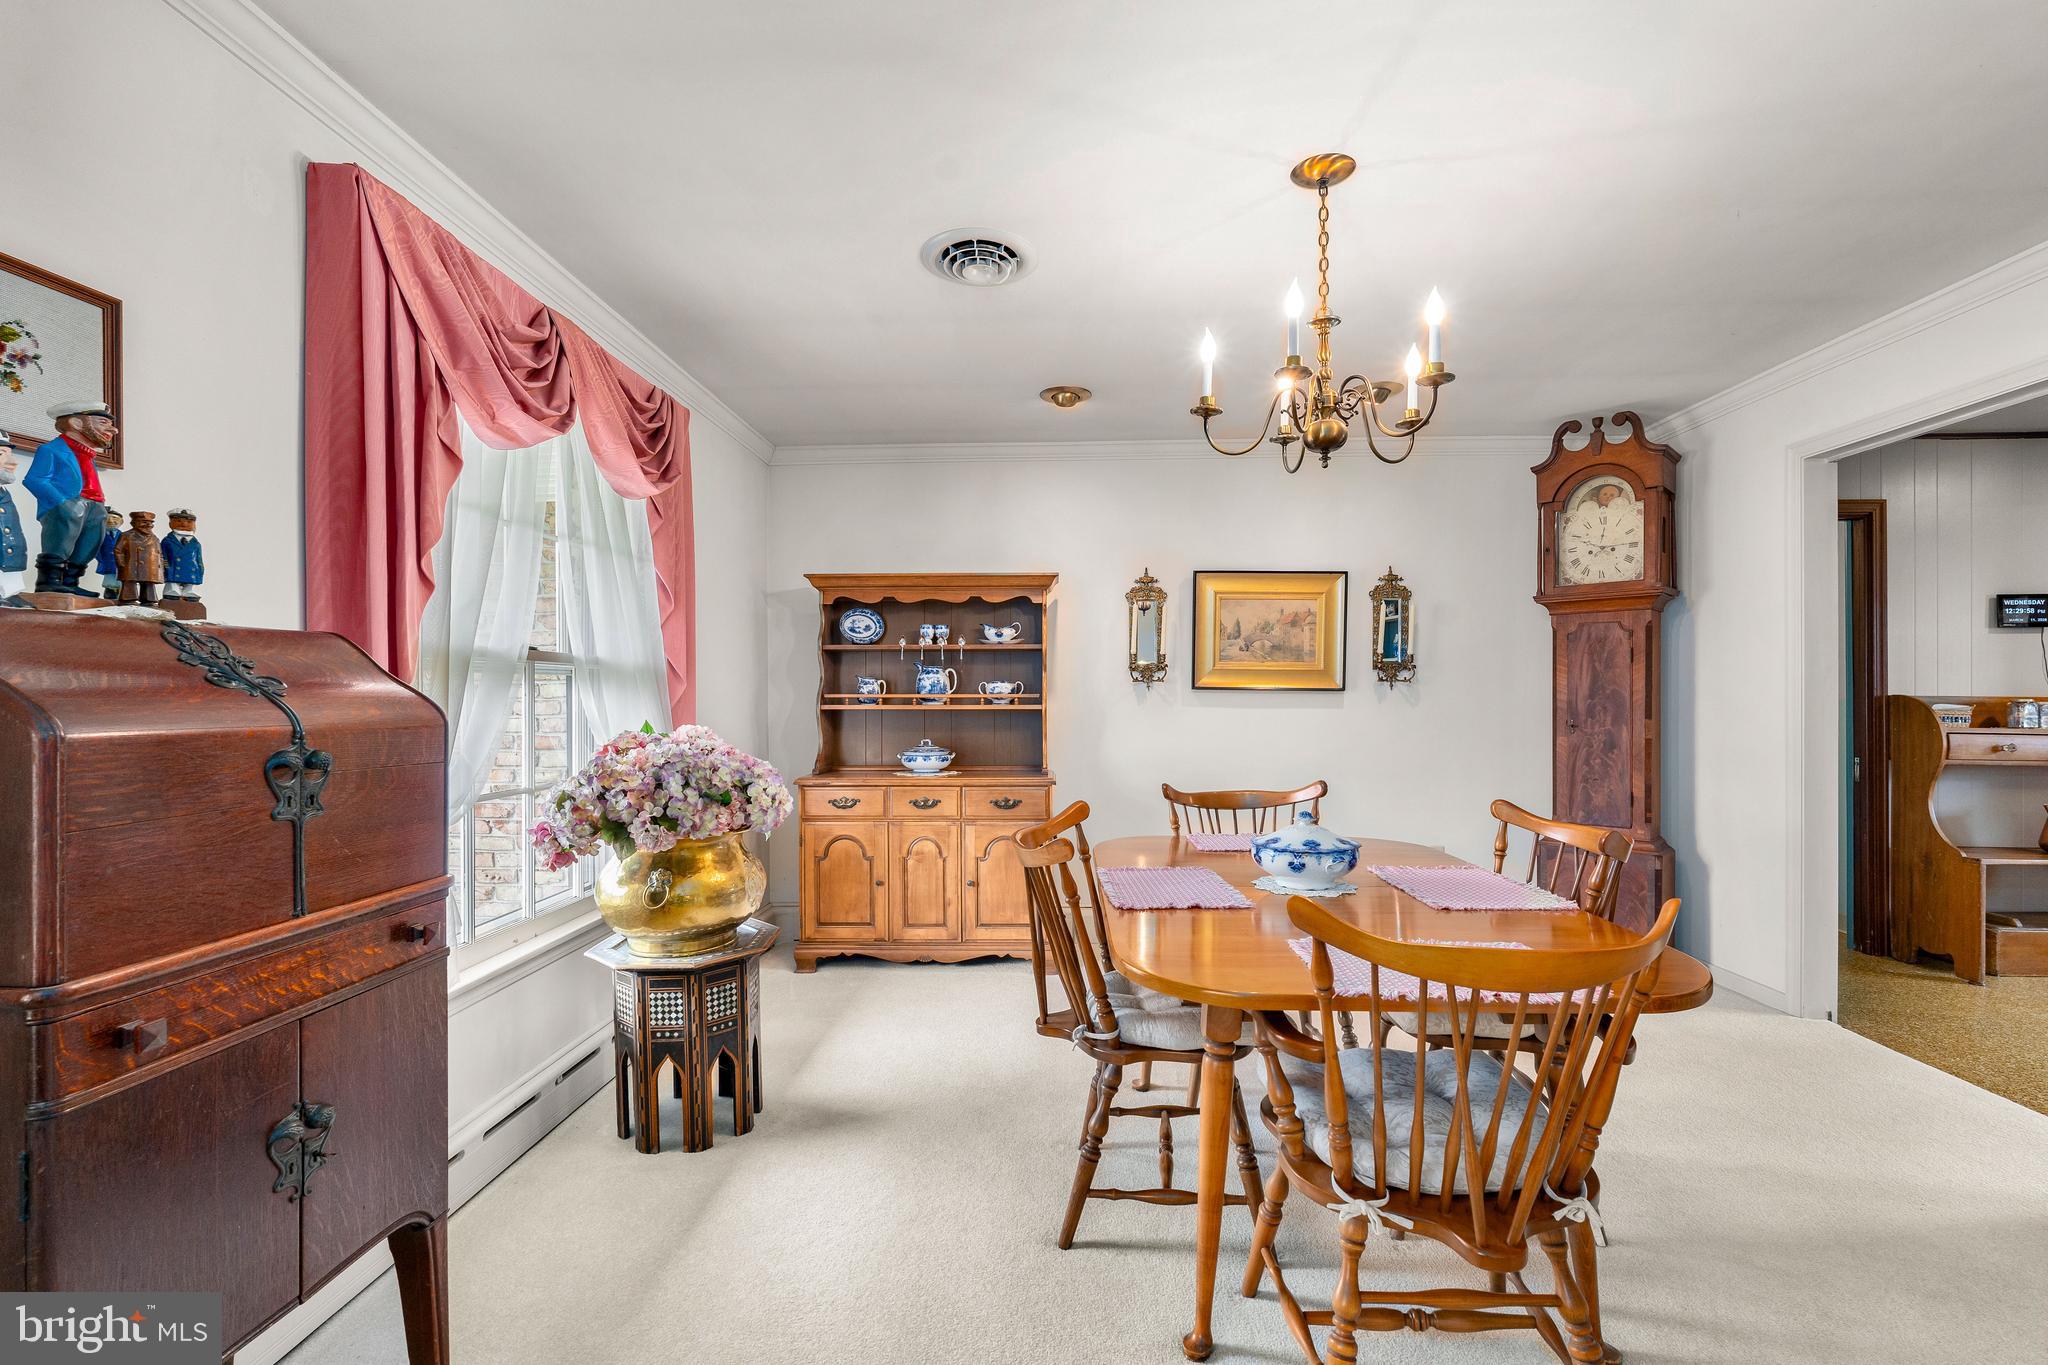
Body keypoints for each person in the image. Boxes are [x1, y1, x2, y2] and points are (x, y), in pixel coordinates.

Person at [23, 400, 116, 596]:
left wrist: (98, 505)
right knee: (61, 541)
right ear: (76, 423)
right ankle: (49, 582)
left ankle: (71, 582)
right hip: (67, 505)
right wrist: (62, 502)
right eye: (103, 423)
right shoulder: (51, 450)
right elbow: (35, 480)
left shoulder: (88, 455)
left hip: (94, 505)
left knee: (90, 543)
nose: (113, 430)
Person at [0, 446, 29, 607]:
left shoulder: (4, 492)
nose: (13, 462)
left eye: (11, 455)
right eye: (1, 454)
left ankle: (10, 592)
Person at [95, 508, 124, 599]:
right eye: (108, 518)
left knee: (121, 579)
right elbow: (96, 549)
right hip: (107, 562)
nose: (111, 521)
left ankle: (121, 594)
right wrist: (101, 559)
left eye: (115, 518)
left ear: (121, 522)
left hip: (120, 564)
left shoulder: (124, 536)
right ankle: (110, 593)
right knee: (110, 579)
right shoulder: (100, 535)